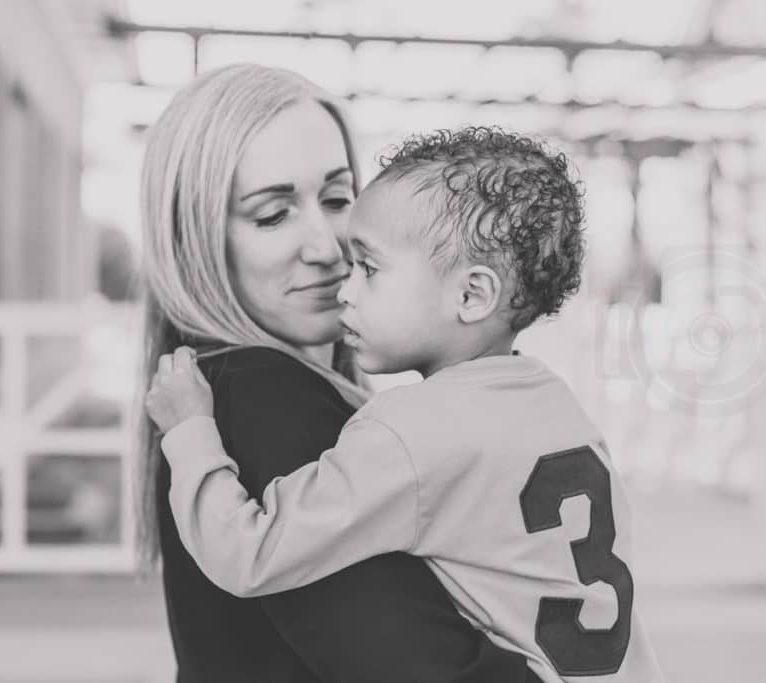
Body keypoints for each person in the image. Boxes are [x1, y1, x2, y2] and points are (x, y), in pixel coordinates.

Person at [146, 127, 665, 682]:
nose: (344, 285)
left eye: (369, 268)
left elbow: (250, 554)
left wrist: (191, 433)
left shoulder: (407, 434)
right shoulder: (558, 409)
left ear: (471, 295)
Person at [137, 64, 541, 683]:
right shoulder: (261, 395)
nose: (327, 247)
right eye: (272, 215)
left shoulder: (228, 390)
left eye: (336, 199)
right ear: (196, 240)